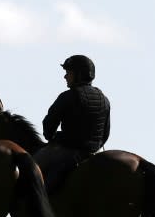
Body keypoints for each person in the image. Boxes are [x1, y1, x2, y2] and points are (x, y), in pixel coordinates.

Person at [34, 55, 110, 193]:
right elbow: (106, 132)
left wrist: (51, 138)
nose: (65, 77)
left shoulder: (68, 96)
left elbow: (48, 126)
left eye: (68, 73)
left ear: (79, 75)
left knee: (31, 168)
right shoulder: (104, 99)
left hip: (67, 151)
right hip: (93, 151)